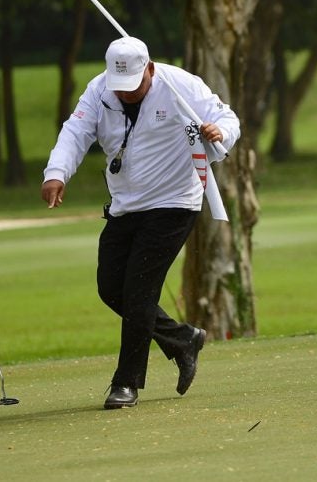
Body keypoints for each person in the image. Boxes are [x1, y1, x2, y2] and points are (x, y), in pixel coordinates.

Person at [41, 36, 240, 409]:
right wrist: (57, 173)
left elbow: (227, 118)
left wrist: (219, 132)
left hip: (173, 202)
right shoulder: (99, 90)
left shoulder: (180, 85)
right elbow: (76, 133)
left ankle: (126, 383)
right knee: (111, 287)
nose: (126, 94)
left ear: (148, 69)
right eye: (120, 88)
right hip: (124, 204)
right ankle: (182, 339)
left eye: (133, 86)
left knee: (139, 291)